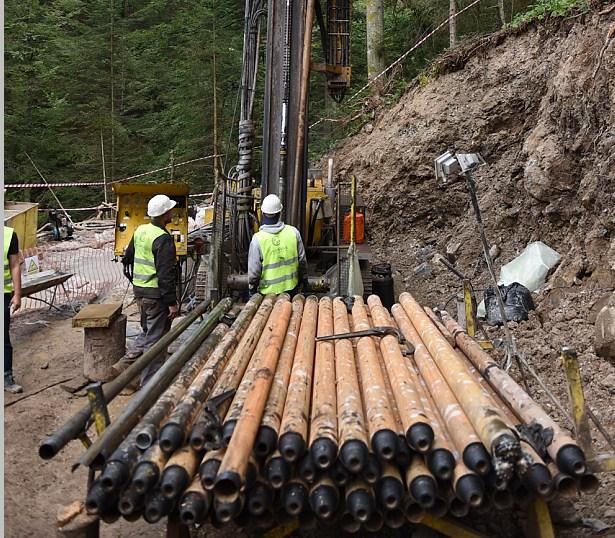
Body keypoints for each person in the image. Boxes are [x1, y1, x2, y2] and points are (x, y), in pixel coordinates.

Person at [113, 194, 179, 388]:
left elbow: (128, 257)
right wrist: (172, 303)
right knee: (156, 342)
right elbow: (165, 275)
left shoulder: (141, 230)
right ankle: (149, 385)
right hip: (156, 296)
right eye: (170, 210)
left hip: (140, 292)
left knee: (147, 331)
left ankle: (123, 367)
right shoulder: (163, 239)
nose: (173, 212)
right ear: (165, 213)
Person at [248, 194, 308, 296]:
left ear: (262, 213)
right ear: (280, 213)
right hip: (291, 291)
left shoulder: (257, 239)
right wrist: (304, 280)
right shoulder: (293, 232)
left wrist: (252, 289)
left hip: (267, 295)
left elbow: (254, 273)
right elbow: (302, 262)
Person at [4, 226, 23, 393]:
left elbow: (15, 265)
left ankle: (6, 377)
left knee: (3, 337)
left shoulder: (9, 235)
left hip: (3, 295)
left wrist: (17, 294)